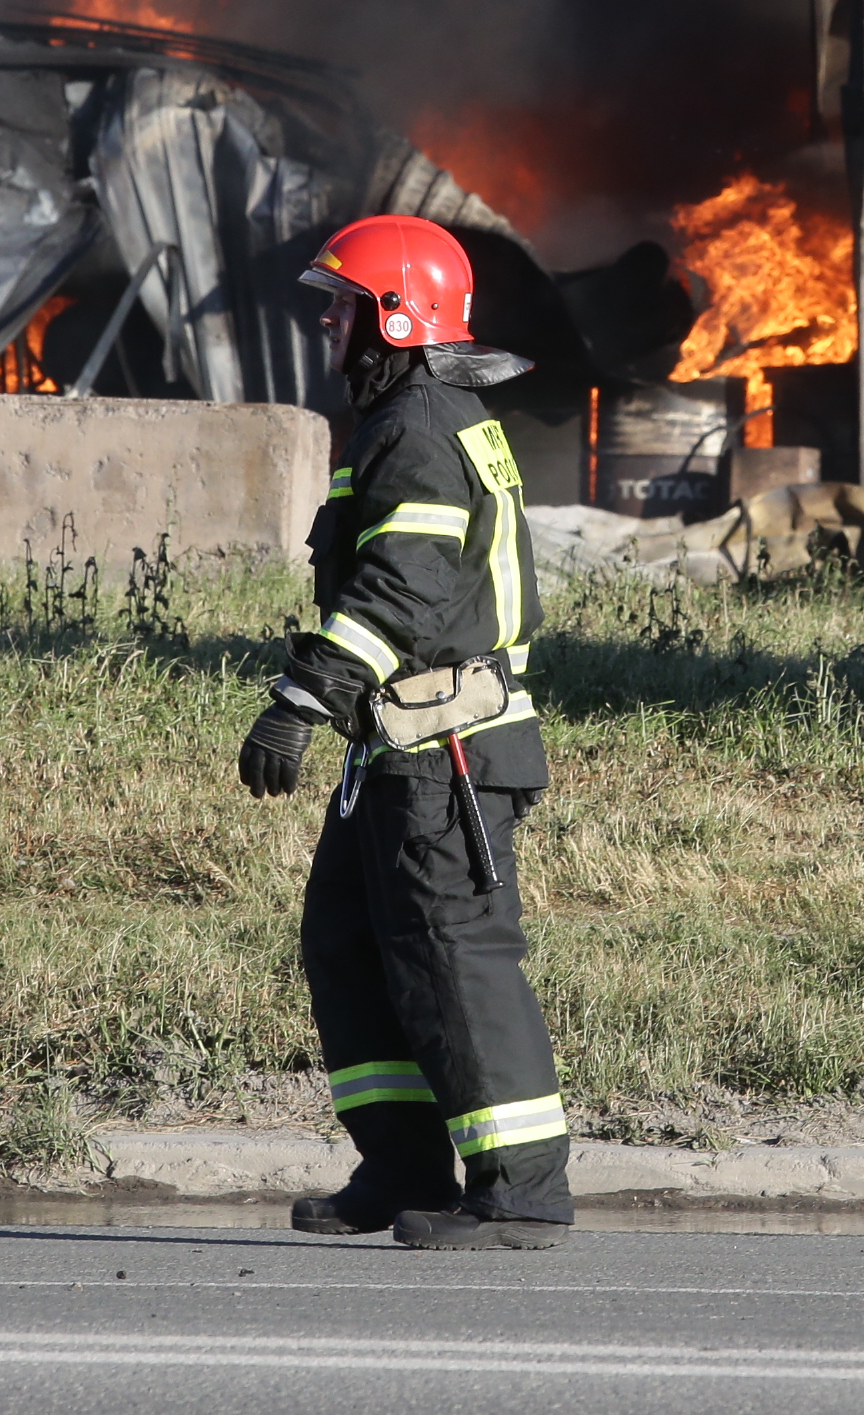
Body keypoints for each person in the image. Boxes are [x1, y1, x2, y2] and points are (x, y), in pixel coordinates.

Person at [237, 213, 573, 1248]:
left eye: (342, 303)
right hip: (401, 743)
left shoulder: (419, 425)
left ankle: (519, 1193)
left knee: (452, 957)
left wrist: (301, 700)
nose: (327, 320)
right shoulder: (404, 417)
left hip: (448, 754)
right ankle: (405, 1162)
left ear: (394, 315)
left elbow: (402, 592)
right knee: (347, 943)